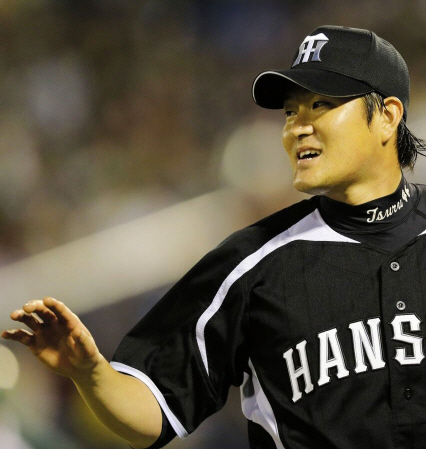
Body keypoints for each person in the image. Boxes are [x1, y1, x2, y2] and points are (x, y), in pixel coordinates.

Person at [2, 24, 426, 449]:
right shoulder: (252, 262)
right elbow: (155, 408)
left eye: (320, 105)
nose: (297, 127)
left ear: (387, 116)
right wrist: (90, 372)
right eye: (290, 112)